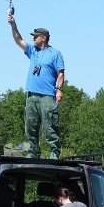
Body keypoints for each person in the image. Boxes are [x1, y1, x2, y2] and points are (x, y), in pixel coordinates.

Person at [8, 14, 65, 159]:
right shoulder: (33, 51)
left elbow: (60, 74)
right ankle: (33, 152)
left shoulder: (55, 54)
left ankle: (54, 152)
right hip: (31, 95)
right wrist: (13, 24)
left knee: (50, 124)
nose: (33, 38)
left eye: (36, 36)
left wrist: (59, 90)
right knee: (30, 126)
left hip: (47, 95)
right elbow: (18, 39)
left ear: (43, 38)